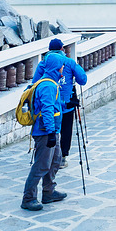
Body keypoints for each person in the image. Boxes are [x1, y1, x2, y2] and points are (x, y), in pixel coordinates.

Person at [32, 39, 87, 168]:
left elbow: (35, 84)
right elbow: (83, 80)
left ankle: (46, 157)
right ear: (62, 48)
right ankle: (62, 157)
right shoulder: (69, 62)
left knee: (48, 130)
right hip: (67, 105)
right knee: (66, 131)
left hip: (49, 105)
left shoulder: (43, 64)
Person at [21, 54, 66, 211]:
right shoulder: (48, 86)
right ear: (56, 67)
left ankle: (49, 192)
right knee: (41, 165)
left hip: (52, 130)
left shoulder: (51, 83)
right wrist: (51, 133)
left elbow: (53, 106)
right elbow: (47, 110)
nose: (63, 68)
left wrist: (67, 103)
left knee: (55, 161)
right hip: (45, 132)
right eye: (61, 65)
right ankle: (28, 198)